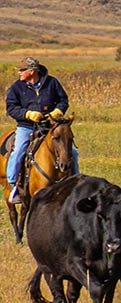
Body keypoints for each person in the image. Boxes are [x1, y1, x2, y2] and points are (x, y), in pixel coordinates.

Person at [6, 56, 71, 203]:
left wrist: (57, 112)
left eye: (22, 70)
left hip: (49, 126)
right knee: (18, 152)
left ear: (32, 71)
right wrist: (28, 114)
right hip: (26, 126)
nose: (19, 73)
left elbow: (63, 100)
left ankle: (75, 182)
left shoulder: (52, 83)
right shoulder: (17, 87)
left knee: (71, 151)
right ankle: (13, 186)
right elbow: (11, 107)